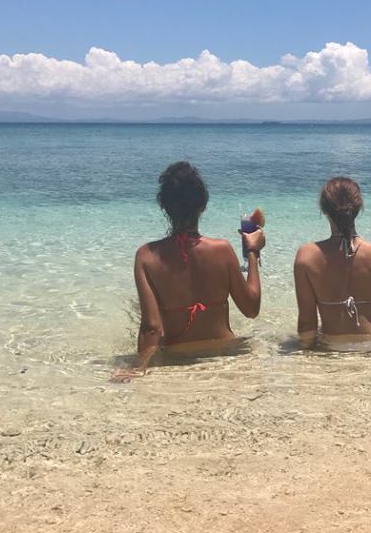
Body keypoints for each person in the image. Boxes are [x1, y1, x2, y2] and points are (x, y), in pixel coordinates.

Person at [112, 161, 265, 380]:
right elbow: (251, 308)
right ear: (203, 205)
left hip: (177, 359)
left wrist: (139, 367)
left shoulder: (146, 256)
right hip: (226, 354)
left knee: (134, 309)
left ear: (164, 207)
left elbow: (151, 328)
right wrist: (252, 251)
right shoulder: (222, 250)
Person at [293, 176, 371, 349]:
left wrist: (308, 354)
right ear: (358, 208)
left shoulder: (306, 256)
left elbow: (307, 325)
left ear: (323, 210)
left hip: (333, 344)